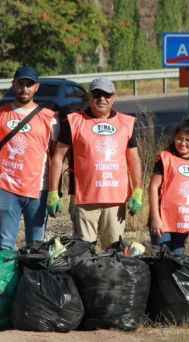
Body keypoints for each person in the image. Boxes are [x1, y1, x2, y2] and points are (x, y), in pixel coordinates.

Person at [48, 77, 143, 249]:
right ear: (90, 97)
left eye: (106, 95)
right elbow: (57, 157)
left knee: (114, 250)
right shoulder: (73, 121)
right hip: (84, 198)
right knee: (83, 251)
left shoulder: (126, 123)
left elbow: (133, 158)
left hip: (115, 198)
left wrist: (137, 190)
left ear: (113, 97)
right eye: (97, 95)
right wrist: (54, 192)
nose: (102, 99)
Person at [0, 66, 59, 251]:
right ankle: (7, 280)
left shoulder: (49, 118)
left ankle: (32, 280)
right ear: (13, 85)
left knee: (36, 246)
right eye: (20, 84)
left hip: (38, 189)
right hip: (6, 189)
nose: (24, 89)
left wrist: (55, 190)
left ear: (36, 87)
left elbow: (56, 157)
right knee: (5, 245)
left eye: (29, 85)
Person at [148, 119, 189, 255]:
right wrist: (155, 218)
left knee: (178, 258)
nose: (183, 143)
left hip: (183, 221)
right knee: (162, 257)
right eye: (179, 138)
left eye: (188, 140)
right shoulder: (165, 158)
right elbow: (153, 187)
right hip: (163, 221)